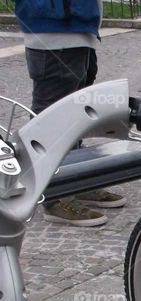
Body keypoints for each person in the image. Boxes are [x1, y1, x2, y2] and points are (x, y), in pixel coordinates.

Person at [15, 0, 126, 227]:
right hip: (53, 27)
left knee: (77, 113)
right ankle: (54, 195)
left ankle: (76, 181)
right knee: (50, 118)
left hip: (78, 25)